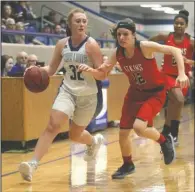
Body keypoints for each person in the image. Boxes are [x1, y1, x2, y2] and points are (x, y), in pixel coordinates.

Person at [18, 8, 107, 182]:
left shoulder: (92, 45)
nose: (81, 24)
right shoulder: (62, 45)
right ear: (69, 24)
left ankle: (92, 142)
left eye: (84, 21)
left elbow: (102, 75)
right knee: (53, 125)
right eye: (78, 21)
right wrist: (34, 70)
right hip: (67, 90)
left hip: (88, 96)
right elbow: (51, 69)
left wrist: (91, 70)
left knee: (75, 135)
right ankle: (33, 164)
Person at [94, 18, 189, 179]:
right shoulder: (117, 53)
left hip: (154, 93)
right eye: (119, 35)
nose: (122, 38)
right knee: (123, 133)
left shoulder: (144, 47)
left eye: (125, 34)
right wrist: (89, 70)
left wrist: (181, 73)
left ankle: (164, 140)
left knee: (139, 127)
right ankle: (128, 164)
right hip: (135, 93)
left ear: (133, 35)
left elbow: (175, 51)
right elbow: (102, 73)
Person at [149, 9, 194, 146]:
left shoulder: (190, 42)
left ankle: (166, 131)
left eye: (181, 24)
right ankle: (174, 134)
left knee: (174, 105)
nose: (179, 26)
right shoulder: (165, 37)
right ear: (173, 24)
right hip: (167, 75)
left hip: (183, 77)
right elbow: (147, 43)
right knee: (179, 100)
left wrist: (190, 62)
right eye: (176, 23)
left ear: (186, 25)